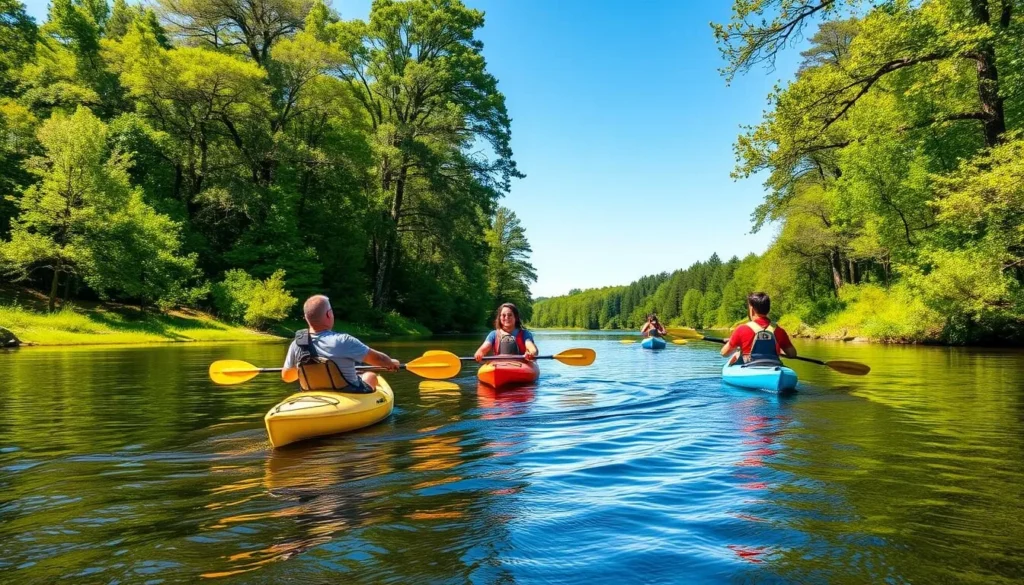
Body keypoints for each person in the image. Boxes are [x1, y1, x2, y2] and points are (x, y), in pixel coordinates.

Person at [281, 295, 399, 392]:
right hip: (348, 392)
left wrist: (308, 368)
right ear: (329, 314)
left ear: (306, 318)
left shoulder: (297, 343)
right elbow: (379, 359)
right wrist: (391, 362)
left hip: (313, 393)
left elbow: (287, 377)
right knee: (370, 376)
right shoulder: (343, 340)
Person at [721, 292, 797, 366]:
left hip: (750, 367)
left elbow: (724, 353)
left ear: (752, 309)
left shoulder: (741, 329)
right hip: (774, 367)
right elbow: (792, 354)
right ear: (768, 309)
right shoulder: (779, 331)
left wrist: (733, 342)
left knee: (737, 355)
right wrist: (778, 351)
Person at [474, 302, 539, 362]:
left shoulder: (525, 334)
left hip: (521, 364)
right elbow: (484, 348)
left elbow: (532, 348)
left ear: (515, 317)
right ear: (499, 318)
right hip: (500, 365)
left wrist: (531, 353)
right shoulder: (493, 334)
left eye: (510, 315)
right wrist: (479, 353)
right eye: (503, 315)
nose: (506, 317)